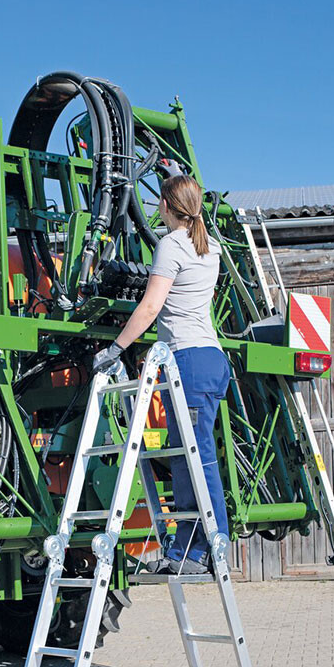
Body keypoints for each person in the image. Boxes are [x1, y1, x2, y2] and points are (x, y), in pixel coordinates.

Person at [92, 174, 230, 574]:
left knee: (195, 457)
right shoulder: (212, 247)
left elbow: (152, 307)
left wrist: (115, 348)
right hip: (210, 359)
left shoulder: (171, 244)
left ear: (167, 206)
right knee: (191, 455)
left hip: (187, 360)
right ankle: (188, 547)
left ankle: (205, 548)